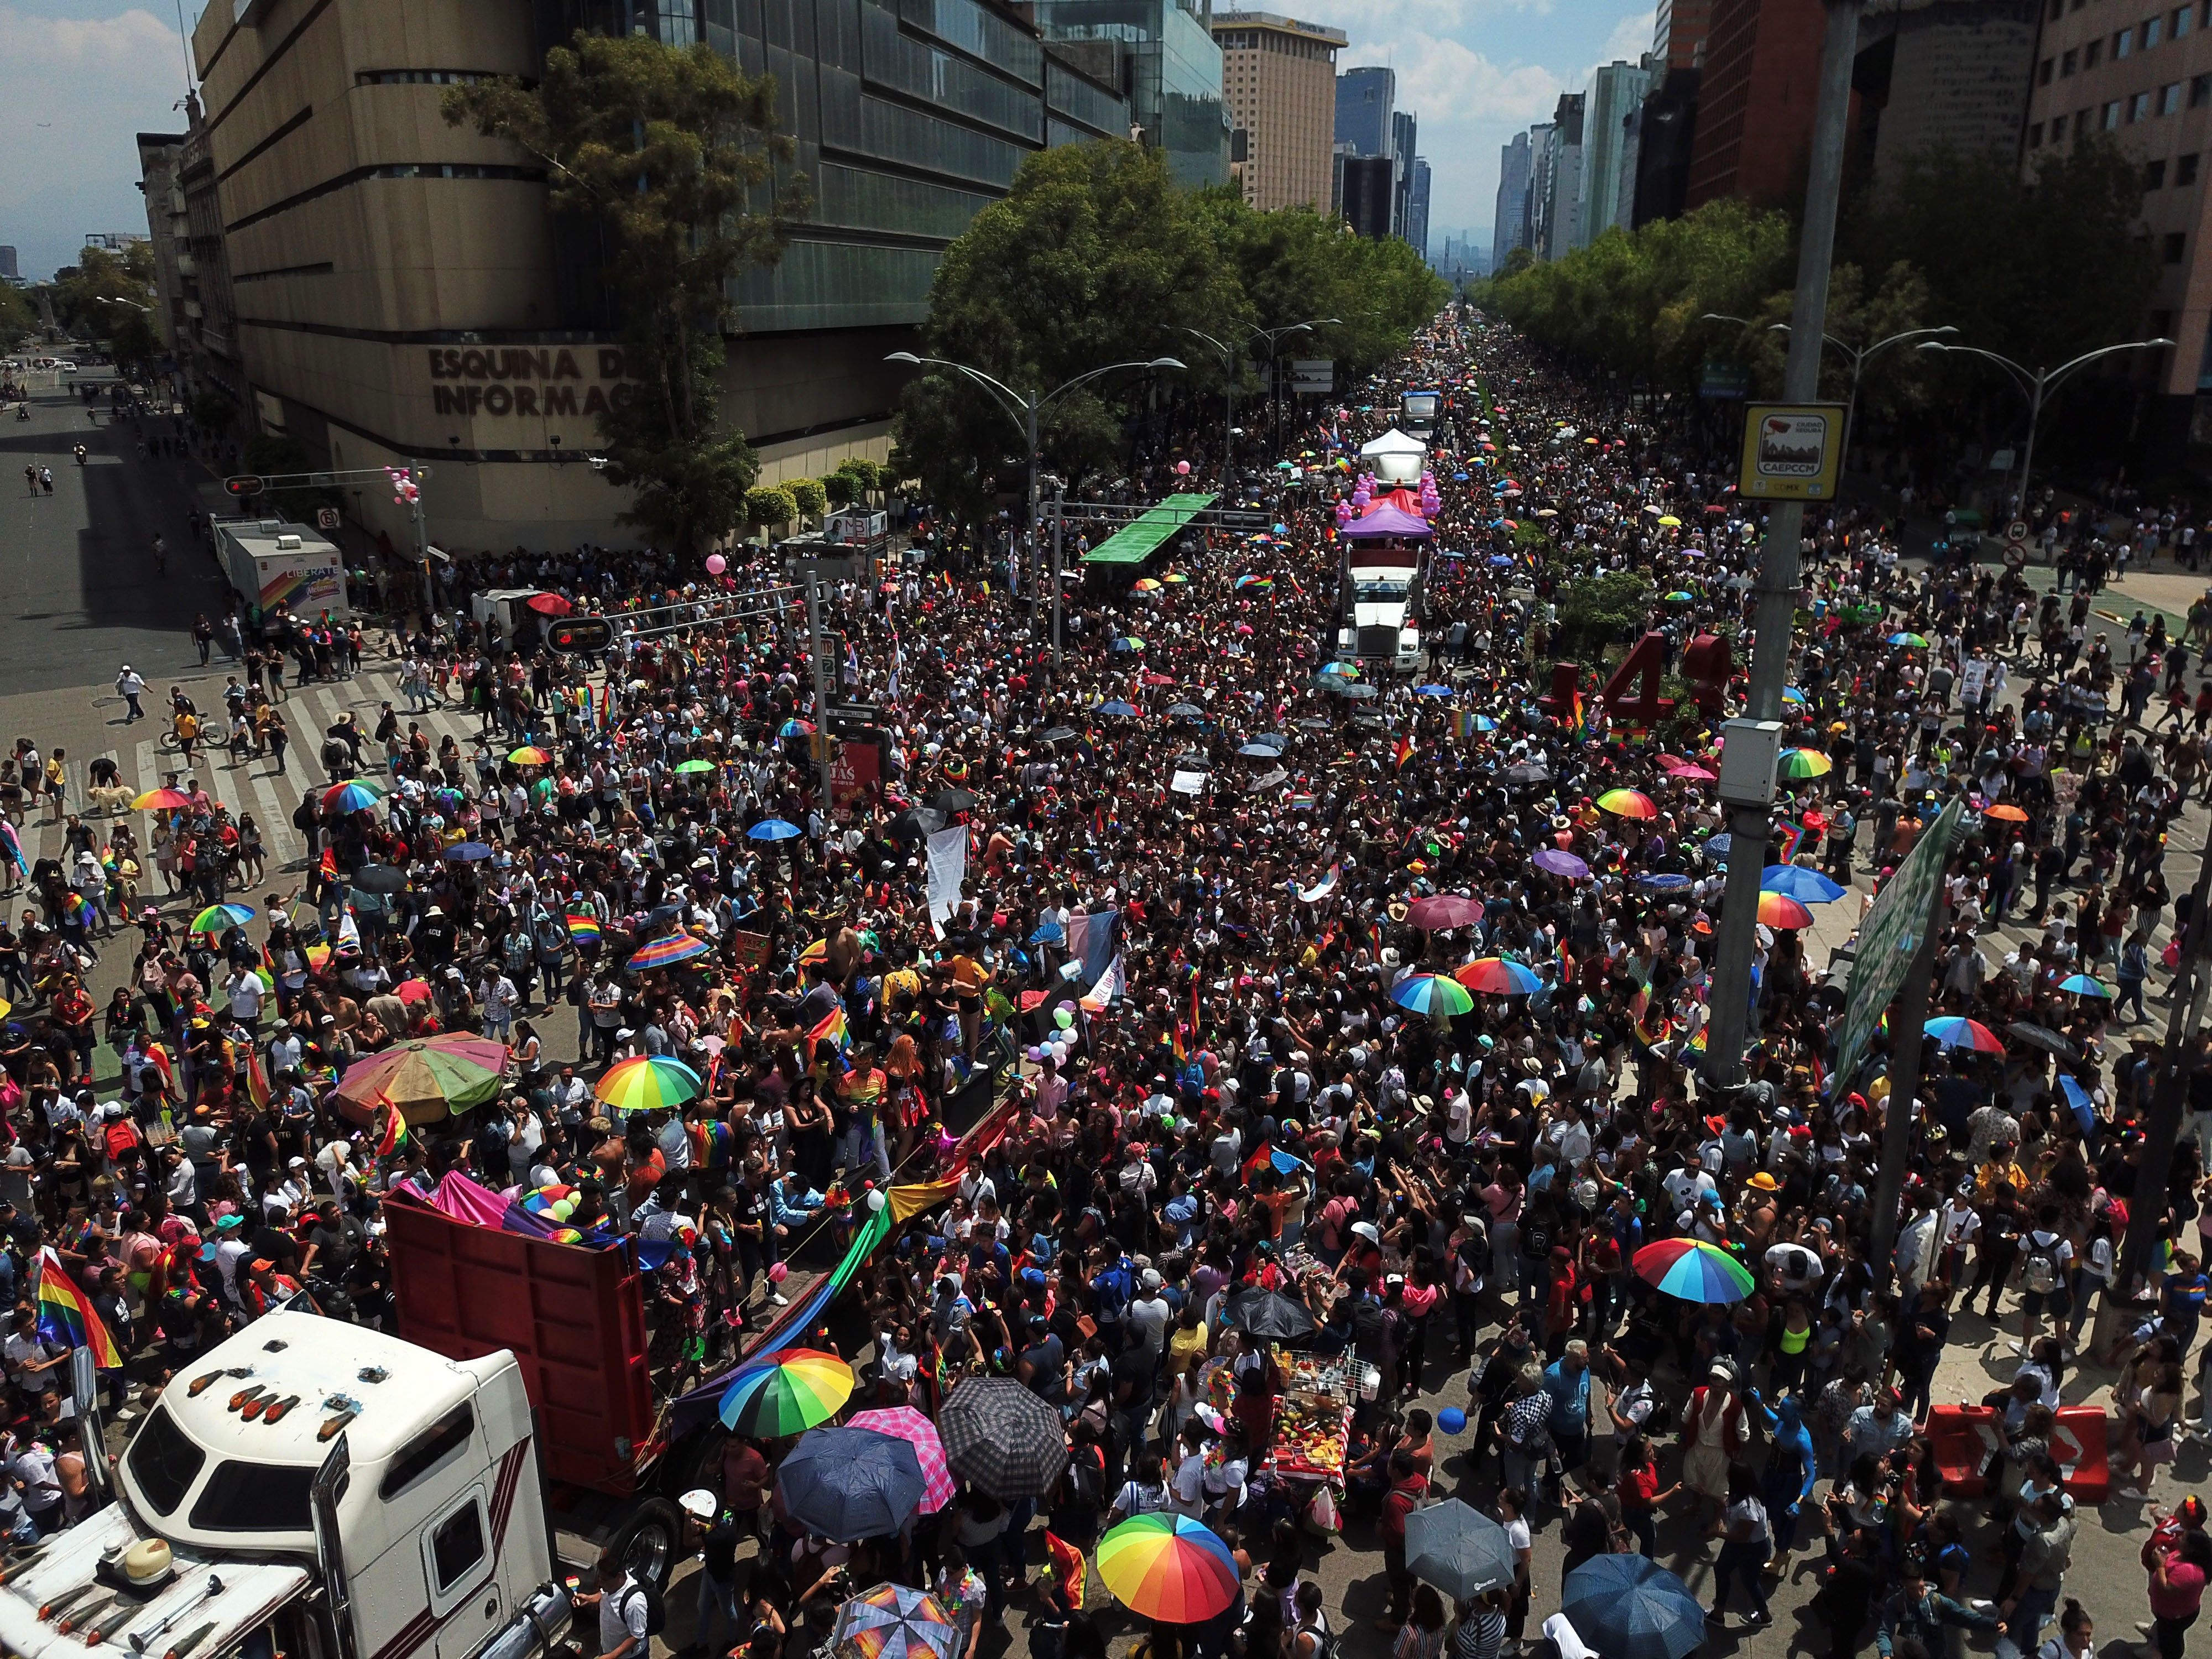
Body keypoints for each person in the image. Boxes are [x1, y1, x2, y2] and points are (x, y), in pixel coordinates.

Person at [1707, 1462, 1772, 1629]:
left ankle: (1765, 1616)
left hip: (1751, 1548)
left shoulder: (1748, 1508)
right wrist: (1707, 1494)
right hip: (1742, 1545)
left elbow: (1741, 1537)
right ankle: (1718, 1613)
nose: (1726, 1475)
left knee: (1749, 1580)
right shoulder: (1740, 1494)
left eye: (1729, 1473)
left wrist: (1716, 1533)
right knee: (1722, 1571)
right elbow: (1727, 1504)